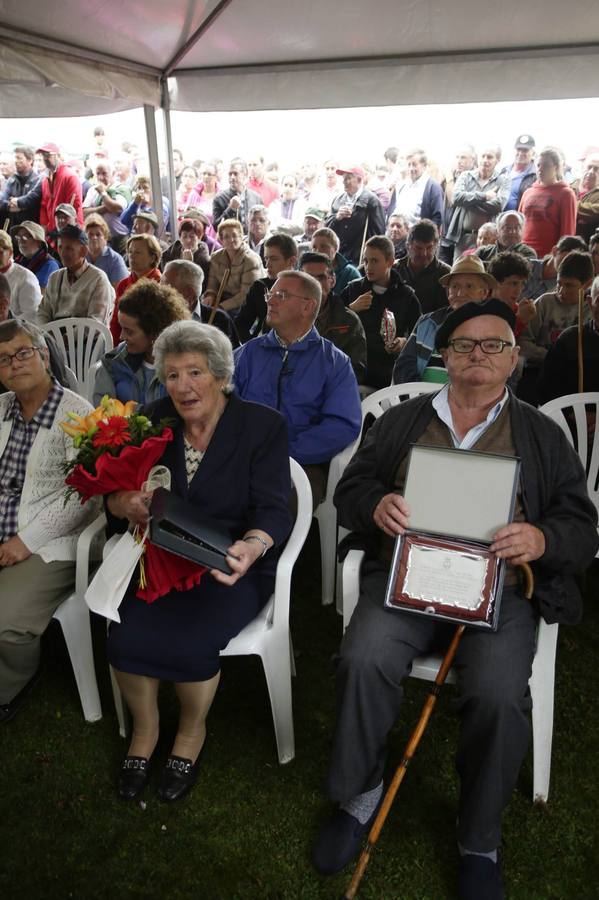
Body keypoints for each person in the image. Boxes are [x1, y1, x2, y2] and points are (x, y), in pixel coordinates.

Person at [312, 298, 598, 900]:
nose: (478, 354)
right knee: (364, 659)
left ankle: (479, 836)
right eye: (465, 344)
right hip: (408, 579)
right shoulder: (403, 420)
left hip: (501, 591)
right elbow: (356, 486)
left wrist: (541, 538)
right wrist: (374, 505)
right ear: (444, 355)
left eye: (493, 345)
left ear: (514, 359)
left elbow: (580, 524)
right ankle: (359, 792)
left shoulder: (541, 434)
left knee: (497, 694)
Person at [104, 320, 292, 802]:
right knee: (124, 631)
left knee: (191, 644)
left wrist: (253, 545)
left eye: (195, 372)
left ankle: (190, 734)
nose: (183, 387)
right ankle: (145, 733)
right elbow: (117, 489)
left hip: (229, 562)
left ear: (221, 375)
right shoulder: (153, 418)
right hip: (163, 558)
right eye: (171, 375)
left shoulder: (262, 426)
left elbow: (274, 506)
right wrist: (122, 501)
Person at [0, 317, 97, 723]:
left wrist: (26, 539)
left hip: (51, 542)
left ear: (43, 355)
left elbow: (84, 495)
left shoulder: (77, 414)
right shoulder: (0, 409)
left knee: (5, 622)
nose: (15, 364)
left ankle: (13, 680)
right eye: (3, 360)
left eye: (23, 353)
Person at [234, 269, 362, 508]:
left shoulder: (334, 363)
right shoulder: (248, 354)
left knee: (280, 504)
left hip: (302, 464)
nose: (270, 301)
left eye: (281, 295)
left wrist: (286, 452)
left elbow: (342, 424)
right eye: (269, 294)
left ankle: (265, 546)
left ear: (307, 307)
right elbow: (222, 405)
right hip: (243, 457)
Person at [393, 254, 496, 384]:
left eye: (469, 286)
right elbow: (404, 366)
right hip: (421, 399)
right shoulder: (428, 323)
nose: (460, 293)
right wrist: (419, 399)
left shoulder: (493, 330)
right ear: (448, 292)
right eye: (455, 286)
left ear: (484, 293)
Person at [93, 279, 190, 406]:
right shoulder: (113, 363)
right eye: (122, 328)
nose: (122, 337)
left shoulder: (185, 366)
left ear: (154, 332)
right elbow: (102, 413)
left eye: (129, 332)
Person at [342, 236, 421, 389]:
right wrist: (351, 309)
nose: (368, 266)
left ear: (390, 261)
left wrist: (403, 342)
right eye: (365, 261)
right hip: (353, 369)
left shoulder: (407, 296)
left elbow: (418, 332)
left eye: (374, 261)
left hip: (389, 373)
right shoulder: (353, 290)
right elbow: (332, 323)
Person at [517, 251, 594, 404]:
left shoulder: (591, 308)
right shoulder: (545, 303)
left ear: (588, 284)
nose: (561, 291)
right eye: (559, 283)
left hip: (577, 372)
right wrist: (551, 357)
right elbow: (523, 342)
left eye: (569, 286)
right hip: (539, 368)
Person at [299, 251, 367, 382]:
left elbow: (357, 370)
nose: (314, 284)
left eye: (320, 278)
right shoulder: (284, 315)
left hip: (330, 392)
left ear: (333, 281)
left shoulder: (349, 321)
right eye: (308, 279)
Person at [36, 224, 114, 327]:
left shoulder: (98, 279)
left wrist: (68, 338)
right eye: (60, 247)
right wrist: (47, 334)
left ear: (83, 251)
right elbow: (43, 312)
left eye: (69, 248)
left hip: (86, 341)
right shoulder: (55, 277)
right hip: (54, 338)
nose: (63, 253)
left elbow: (96, 321)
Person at [538, 275, 599, 403]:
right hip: (573, 419)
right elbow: (548, 388)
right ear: (589, 302)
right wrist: (575, 414)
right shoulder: (570, 340)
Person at [446, 146, 508, 259]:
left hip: (488, 241)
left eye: (489, 157)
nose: (485, 160)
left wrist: (468, 203)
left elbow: (499, 205)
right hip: (463, 238)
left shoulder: (503, 180)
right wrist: (484, 196)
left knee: (484, 273)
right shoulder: (465, 176)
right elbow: (456, 198)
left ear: (497, 160)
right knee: (459, 273)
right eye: (482, 156)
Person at [161, 259, 239, 347]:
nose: (159, 292)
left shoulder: (219, 319)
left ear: (189, 294)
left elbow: (236, 357)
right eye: (160, 285)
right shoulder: (156, 316)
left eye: (166, 288)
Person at [235, 233, 297, 342]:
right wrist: (252, 346)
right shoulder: (259, 287)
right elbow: (241, 323)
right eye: (266, 258)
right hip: (262, 344)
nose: (267, 265)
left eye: (273, 259)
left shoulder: (303, 289)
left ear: (291, 261)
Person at [10, 142, 83, 230]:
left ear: (57, 156)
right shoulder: (46, 179)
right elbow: (44, 205)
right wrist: (44, 227)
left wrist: (63, 228)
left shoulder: (70, 176)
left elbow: (74, 205)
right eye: (43, 155)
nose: (45, 158)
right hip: (53, 231)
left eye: (48, 155)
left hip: (70, 230)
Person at [519, 147, 577, 257]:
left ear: (556, 167)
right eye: (538, 165)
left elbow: (568, 232)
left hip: (548, 256)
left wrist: (559, 256)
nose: (540, 169)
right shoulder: (528, 192)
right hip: (523, 254)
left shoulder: (565, 194)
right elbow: (519, 224)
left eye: (546, 165)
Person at [325, 166, 386, 266]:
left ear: (359, 180)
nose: (344, 182)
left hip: (360, 257)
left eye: (348, 178)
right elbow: (327, 226)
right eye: (343, 178)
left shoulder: (371, 201)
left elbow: (379, 232)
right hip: (339, 255)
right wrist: (337, 217)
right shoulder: (338, 199)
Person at [109, 233, 163, 344]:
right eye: (130, 252)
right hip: (123, 343)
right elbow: (115, 322)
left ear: (152, 257)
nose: (132, 256)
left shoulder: (160, 284)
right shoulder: (123, 284)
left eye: (137, 252)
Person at [203, 219, 263, 315]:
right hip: (222, 298)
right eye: (226, 237)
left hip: (244, 304)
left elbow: (245, 296)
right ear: (221, 240)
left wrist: (221, 307)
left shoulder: (251, 260)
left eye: (234, 235)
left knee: (222, 318)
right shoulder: (216, 257)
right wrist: (210, 295)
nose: (231, 240)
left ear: (241, 237)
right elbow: (212, 284)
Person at [394, 219, 451, 314]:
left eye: (429, 248)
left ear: (436, 246)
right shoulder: (395, 270)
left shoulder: (446, 274)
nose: (424, 254)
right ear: (408, 246)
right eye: (419, 248)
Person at [82, 161, 132, 254]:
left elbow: (117, 208)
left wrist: (103, 193)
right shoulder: (92, 190)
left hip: (120, 239)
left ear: (112, 173)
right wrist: (104, 208)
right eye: (98, 174)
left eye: (104, 173)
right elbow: (83, 213)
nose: (100, 177)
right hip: (100, 239)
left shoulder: (121, 188)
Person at [390, 149, 444, 228]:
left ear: (424, 166)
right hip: (398, 236)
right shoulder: (401, 185)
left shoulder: (433, 187)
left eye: (414, 165)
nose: (411, 168)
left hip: (419, 237)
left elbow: (437, 218)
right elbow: (392, 211)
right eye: (409, 165)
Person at [487, 252, 535, 338]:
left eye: (522, 284)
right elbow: (493, 341)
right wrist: (520, 320)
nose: (519, 290)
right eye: (514, 283)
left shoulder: (518, 310)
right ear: (495, 282)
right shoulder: (479, 307)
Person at [0, 229, 42, 321]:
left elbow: (31, 316)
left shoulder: (25, 278)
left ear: (10, 252)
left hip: (16, 331)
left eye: (0, 252)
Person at [212, 159, 262, 232]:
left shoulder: (256, 198)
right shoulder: (219, 198)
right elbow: (216, 227)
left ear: (245, 175)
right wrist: (230, 209)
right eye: (230, 174)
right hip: (229, 241)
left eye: (235, 174)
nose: (232, 177)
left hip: (250, 241)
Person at [0, 146, 41, 230]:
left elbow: (31, 202)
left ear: (30, 160)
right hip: (12, 228)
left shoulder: (37, 180)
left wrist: (17, 202)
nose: (16, 161)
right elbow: (2, 202)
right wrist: (10, 207)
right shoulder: (12, 180)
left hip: (30, 230)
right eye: (15, 158)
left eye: (19, 158)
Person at [311, 226, 361, 295]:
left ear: (336, 248)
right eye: (314, 247)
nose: (318, 251)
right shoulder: (305, 271)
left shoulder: (350, 274)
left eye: (323, 246)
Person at [12, 221, 60, 291]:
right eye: (18, 237)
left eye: (25, 237)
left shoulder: (49, 265)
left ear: (38, 241)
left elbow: (37, 295)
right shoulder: (19, 261)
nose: (21, 241)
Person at [500, 134, 537, 212]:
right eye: (518, 149)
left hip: (519, 221)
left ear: (533, 153)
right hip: (498, 219)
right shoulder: (504, 171)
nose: (520, 153)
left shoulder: (535, 176)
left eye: (525, 150)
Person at [575, 152, 599, 242]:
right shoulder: (570, 187)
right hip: (564, 244)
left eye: (596, 169)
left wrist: (570, 205)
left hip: (589, 246)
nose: (591, 171)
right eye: (589, 167)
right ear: (583, 168)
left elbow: (595, 212)